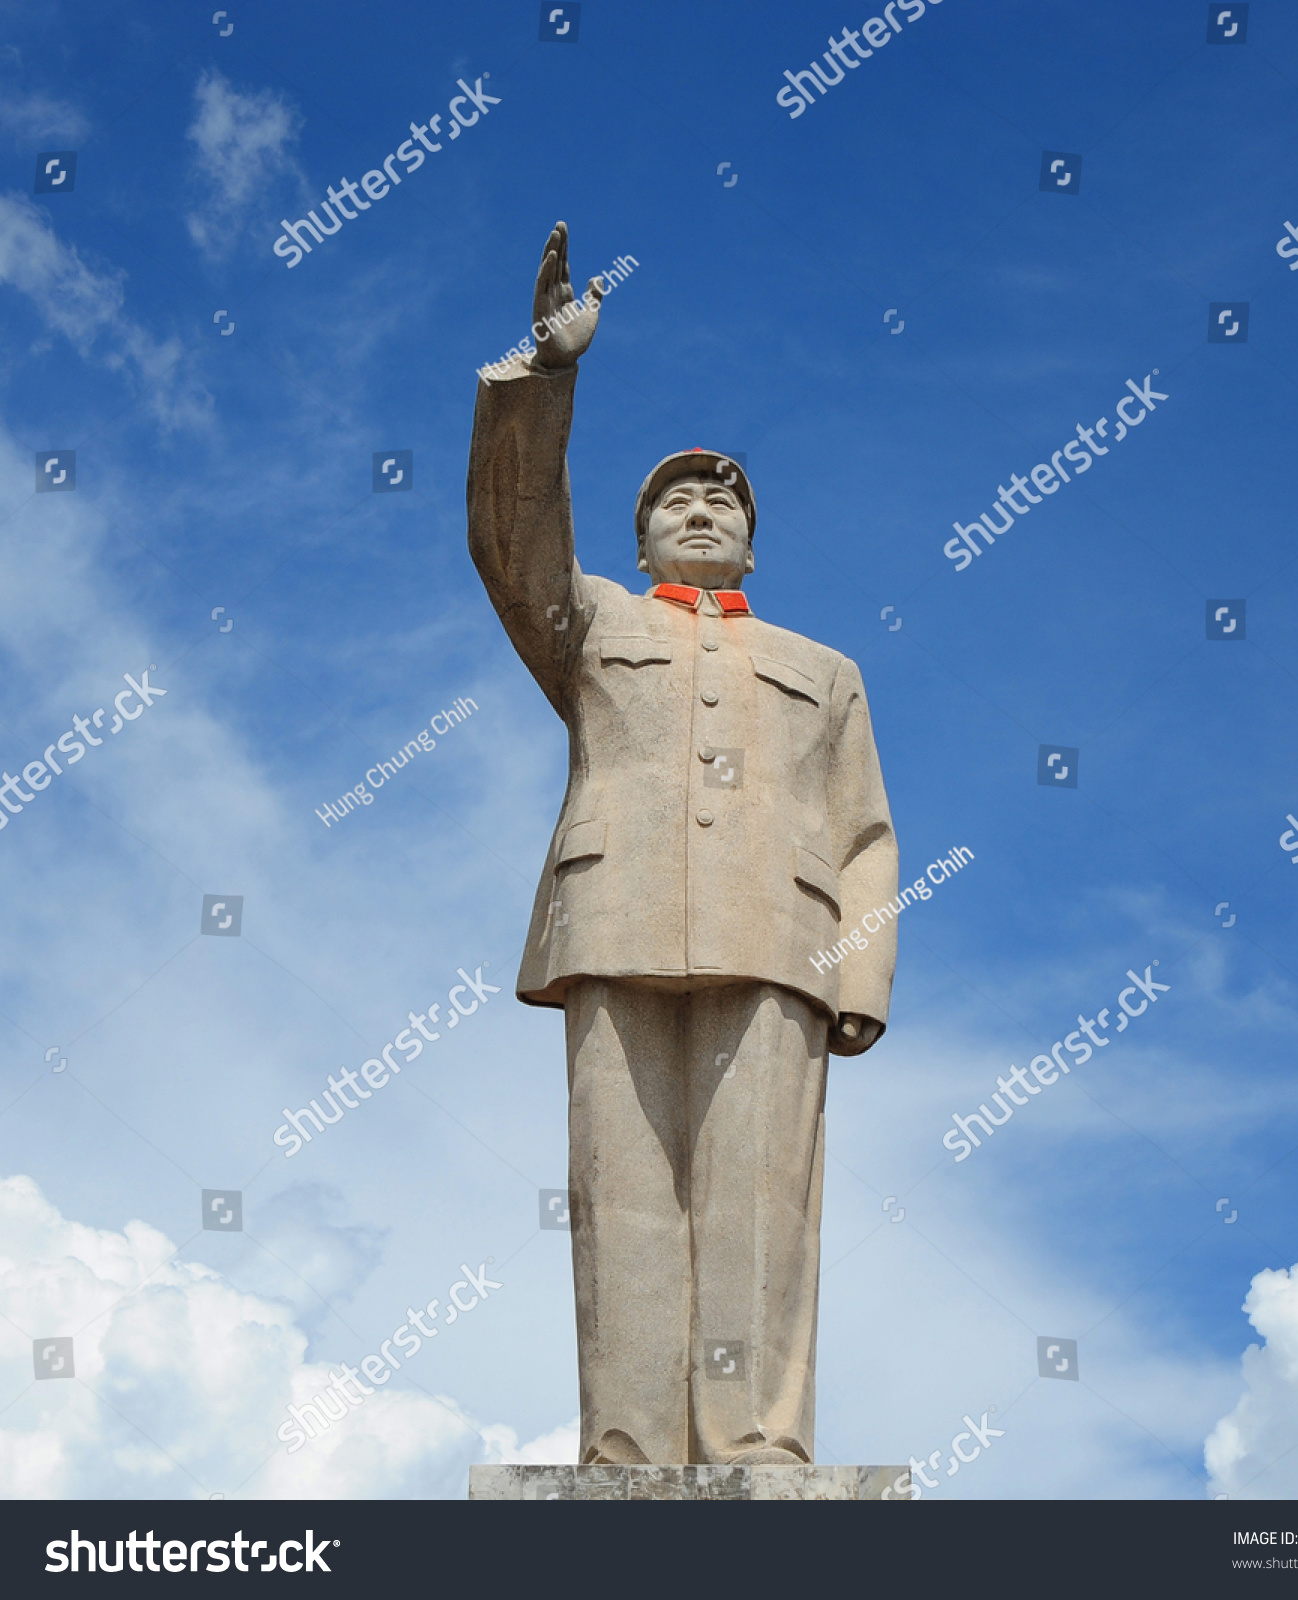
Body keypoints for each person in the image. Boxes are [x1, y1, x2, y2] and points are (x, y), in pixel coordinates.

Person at [467, 222, 898, 1465]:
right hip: (616, 921)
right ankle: (628, 1440)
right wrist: (548, 380)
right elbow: (514, 538)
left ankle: (759, 1437)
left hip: (780, 943)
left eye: (724, 500)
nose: (701, 509)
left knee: (761, 1204)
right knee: (626, 1199)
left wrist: (855, 975)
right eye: (675, 498)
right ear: (642, 535)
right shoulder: (589, 617)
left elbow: (867, 829)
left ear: (752, 545)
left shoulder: (825, 669)